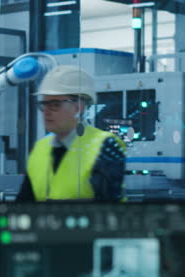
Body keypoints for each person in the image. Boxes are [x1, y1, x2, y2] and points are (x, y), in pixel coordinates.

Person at [17, 65, 126, 202]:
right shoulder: (40, 148)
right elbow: (23, 205)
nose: (46, 111)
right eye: (43, 104)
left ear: (78, 107)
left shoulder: (105, 144)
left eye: (55, 104)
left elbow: (107, 208)